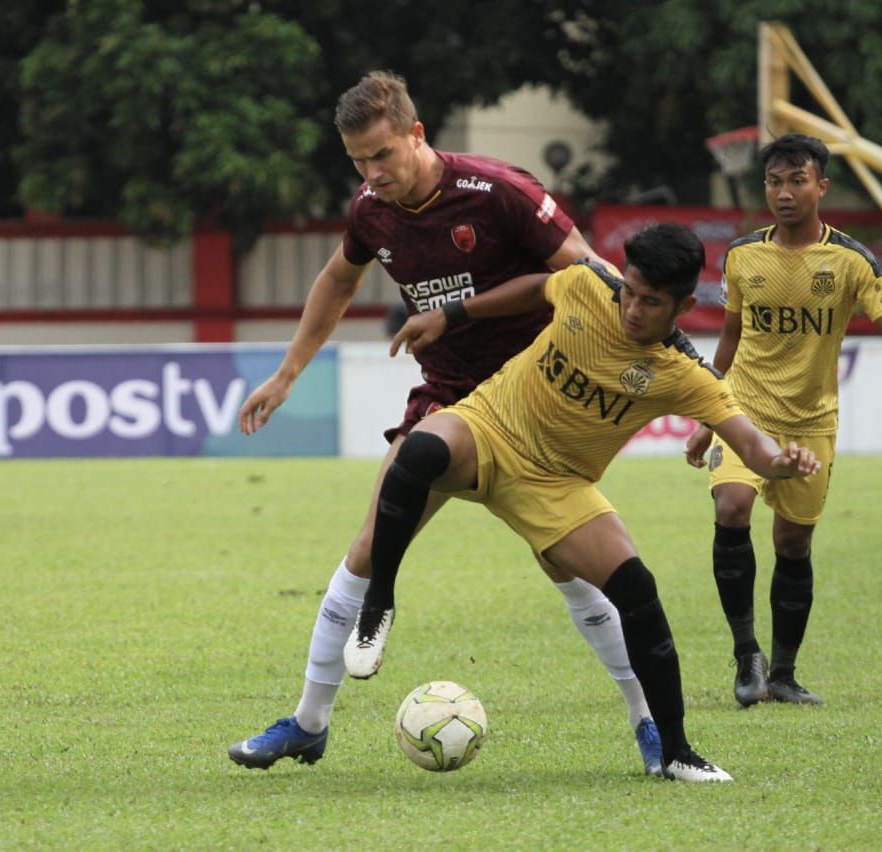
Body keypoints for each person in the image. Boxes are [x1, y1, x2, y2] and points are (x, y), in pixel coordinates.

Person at [228, 71, 664, 774]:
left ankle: (650, 725)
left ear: (416, 135)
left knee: (570, 566)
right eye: (359, 163)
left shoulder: (500, 193)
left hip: (536, 406)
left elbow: (588, 278)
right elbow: (339, 279)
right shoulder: (371, 210)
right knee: (370, 546)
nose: (374, 174)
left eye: (383, 156)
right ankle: (308, 723)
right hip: (450, 398)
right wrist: (286, 375)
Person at [351, 222, 822, 781]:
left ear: (684, 305)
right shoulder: (587, 284)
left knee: (638, 590)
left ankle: (675, 753)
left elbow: (749, 441)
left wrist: (778, 463)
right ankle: (378, 602)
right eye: (629, 290)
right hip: (491, 428)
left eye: (651, 302)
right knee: (420, 450)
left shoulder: (685, 374)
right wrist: (450, 314)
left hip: (558, 485)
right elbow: (534, 288)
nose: (632, 308)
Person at [682, 133, 882, 707]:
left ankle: (785, 674)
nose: (784, 193)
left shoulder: (852, 260)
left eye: (797, 180)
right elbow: (731, 337)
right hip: (743, 408)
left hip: (812, 420)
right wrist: (706, 415)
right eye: (774, 181)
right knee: (731, 506)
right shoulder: (743, 255)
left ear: (822, 186)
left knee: (793, 543)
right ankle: (748, 656)